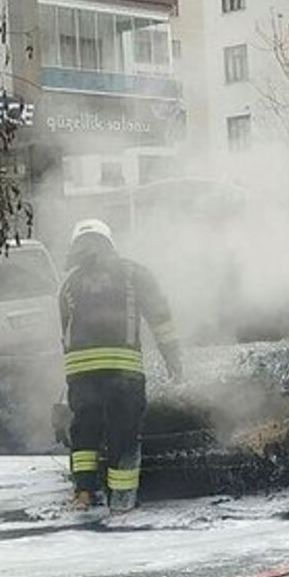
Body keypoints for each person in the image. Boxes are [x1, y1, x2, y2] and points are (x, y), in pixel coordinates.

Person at [59, 219, 183, 512]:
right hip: (123, 371)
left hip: (80, 374)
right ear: (109, 242)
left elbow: (64, 334)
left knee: (84, 432)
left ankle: (83, 495)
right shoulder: (134, 273)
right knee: (123, 434)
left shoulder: (68, 284)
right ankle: (122, 502)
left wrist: (71, 378)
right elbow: (161, 320)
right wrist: (173, 361)